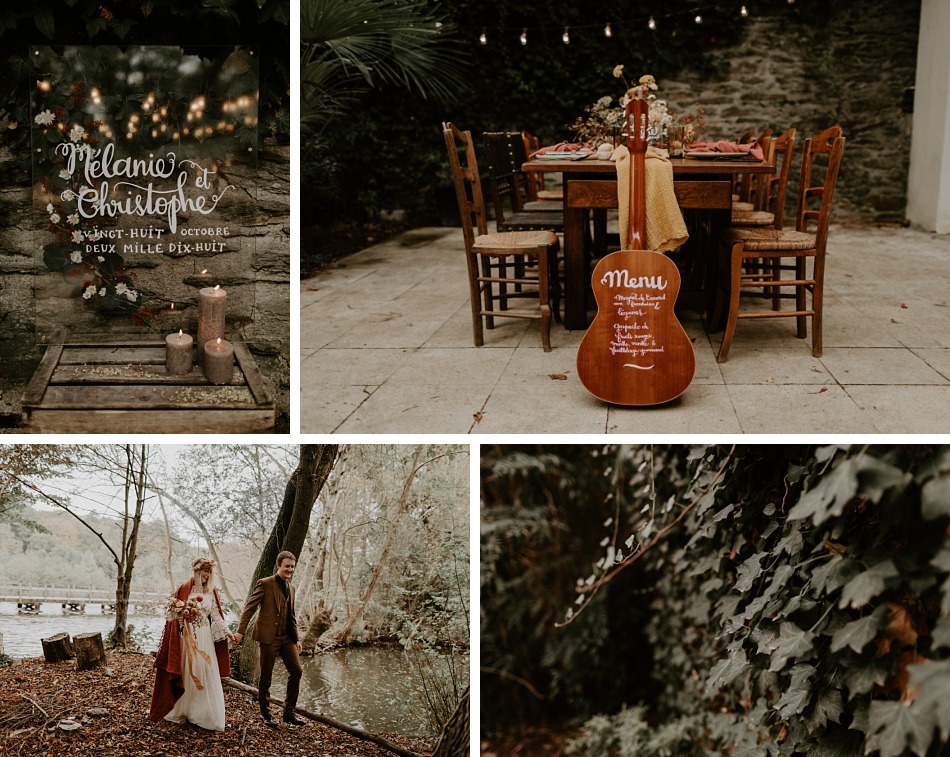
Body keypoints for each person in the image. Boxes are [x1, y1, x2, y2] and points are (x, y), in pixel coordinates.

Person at [149, 557, 234, 731]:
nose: (207, 575)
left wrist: (228, 631)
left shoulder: (211, 591)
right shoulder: (184, 589)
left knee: (203, 671)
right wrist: (182, 615)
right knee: (187, 671)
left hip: (204, 637)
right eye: (204, 571)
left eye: (209, 572)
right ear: (195, 571)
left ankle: (200, 711)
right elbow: (172, 615)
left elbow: (216, 615)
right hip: (185, 637)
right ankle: (181, 708)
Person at [232, 550, 305, 727]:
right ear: (278, 565)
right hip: (268, 638)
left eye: (292, 567)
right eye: (287, 566)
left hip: (286, 638)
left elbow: (291, 615)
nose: (290, 569)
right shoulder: (265, 583)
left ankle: (289, 713)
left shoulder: (292, 588)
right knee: (266, 676)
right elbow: (249, 608)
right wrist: (240, 631)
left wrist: (296, 639)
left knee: (297, 671)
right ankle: (265, 714)